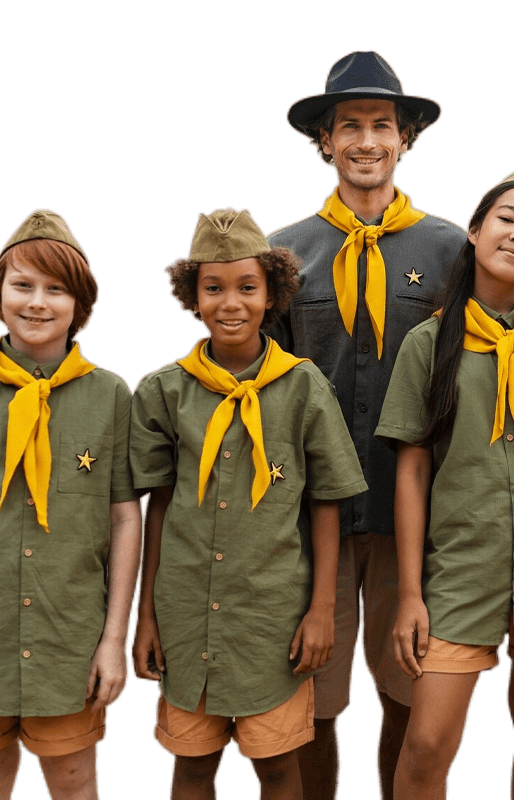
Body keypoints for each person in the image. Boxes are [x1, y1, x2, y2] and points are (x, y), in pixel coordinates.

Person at [270, 49, 467, 800]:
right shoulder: (284, 254)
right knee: (312, 699)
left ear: (404, 139)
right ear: (324, 142)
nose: (365, 141)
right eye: (347, 125)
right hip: (307, 513)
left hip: (411, 512)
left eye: (380, 125)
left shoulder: (451, 252)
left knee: (406, 689)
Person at [377, 164, 514, 800]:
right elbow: (413, 471)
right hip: (460, 569)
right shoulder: (428, 344)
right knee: (426, 742)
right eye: (507, 219)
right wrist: (411, 593)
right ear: (473, 231)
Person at [130, 208, 366, 800]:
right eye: (213, 288)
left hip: (274, 620)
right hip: (187, 618)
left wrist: (321, 610)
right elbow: (155, 508)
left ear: (273, 294)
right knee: (190, 768)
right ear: (192, 296)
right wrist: (147, 616)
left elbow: (326, 504)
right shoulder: (165, 391)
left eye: (246, 287)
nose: (229, 303)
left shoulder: (304, 386)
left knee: (280, 769)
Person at [0, 209, 141, 800]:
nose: (37, 302)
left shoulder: (111, 396)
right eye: (23, 285)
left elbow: (124, 517)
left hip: (71, 639)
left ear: (80, 304)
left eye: (56, 289)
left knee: (74, 782)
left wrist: (114, 641)